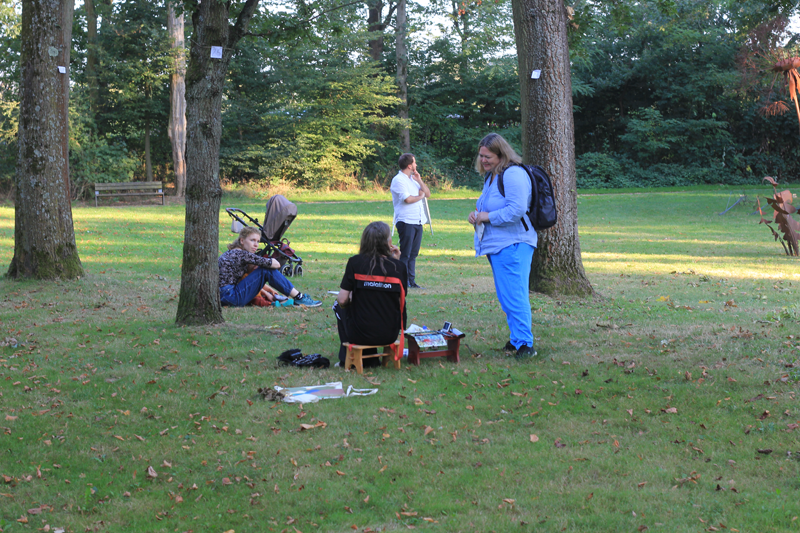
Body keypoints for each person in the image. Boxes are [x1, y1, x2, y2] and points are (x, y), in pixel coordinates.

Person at [467, 133, 538, 358]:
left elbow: (516, 209)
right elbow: (489, 207)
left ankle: (525, 344)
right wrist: (476, 215)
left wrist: (487, 216)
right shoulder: (492, 176)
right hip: (498, 245)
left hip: (514, 243)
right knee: (507, 296)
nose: (483, 160)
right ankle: (517, 339)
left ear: (501, 154)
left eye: (487, 157)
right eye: (481, 156)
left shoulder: (513, 174)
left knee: (515, 295)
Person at [333, 221, 408, 367]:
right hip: (390, 333)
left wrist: (352, 298)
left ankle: (346, 358)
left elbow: (342, 300)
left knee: (338, 306)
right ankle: (369, 358)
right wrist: (395, 263)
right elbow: (400, 298)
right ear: (388, 242)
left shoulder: (355, 262)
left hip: (360, 333)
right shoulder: (400, 267)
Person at [218, 227, 321, 308]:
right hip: (230, 297)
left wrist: (267, 291)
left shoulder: (232, 252)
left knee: (262, 270)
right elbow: (276, 264)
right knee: (265, 269)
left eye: (258, 241)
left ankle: (297, 297)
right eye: (252, 240)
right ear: (242, 240)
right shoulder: (241, 254)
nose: (256, 245)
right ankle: (299, 297)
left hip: (224, 297)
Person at [391, 153, 430, 289]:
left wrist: (419, 181)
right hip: (406, 221)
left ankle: (411, 281)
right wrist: (420, 197)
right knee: (405, 253)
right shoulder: (398, 180)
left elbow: (428, 193)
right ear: (409, 166)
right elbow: (407, 199)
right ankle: (403, 281)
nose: (416, 165)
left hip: (418, 221)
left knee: (413, 253)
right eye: (414, 163)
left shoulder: (413, 179)